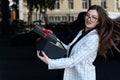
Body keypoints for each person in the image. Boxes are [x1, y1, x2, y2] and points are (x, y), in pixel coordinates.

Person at [37, 5, 120, 80]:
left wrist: (50, 62)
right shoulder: (81, 32)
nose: (89, 19)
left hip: (83, 76)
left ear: (98, 21)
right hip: (73, 75)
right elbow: (68, 48)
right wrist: (53, 37)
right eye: (88, 15)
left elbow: (73, 60)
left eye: (94, 17)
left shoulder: (93, 38)